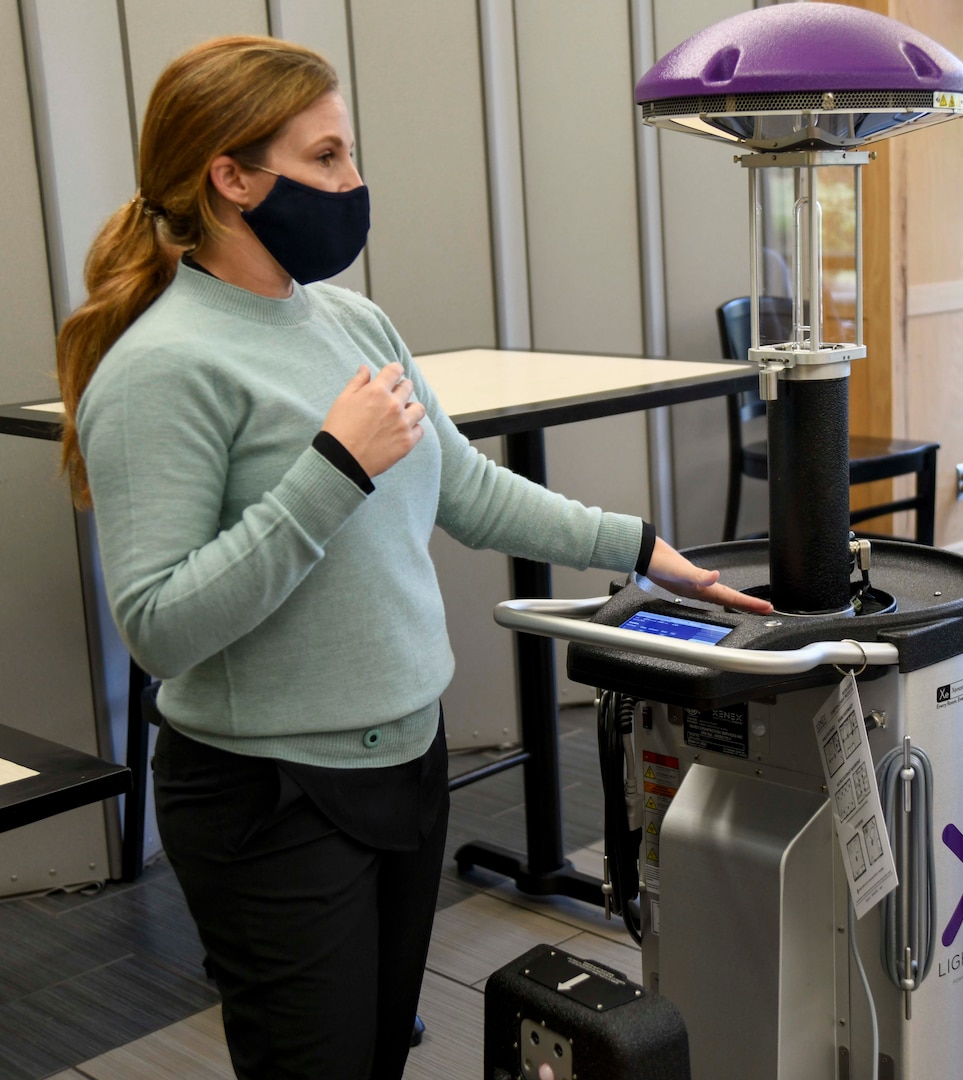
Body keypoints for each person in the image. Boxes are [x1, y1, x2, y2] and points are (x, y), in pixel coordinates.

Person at [55, 36, 771, 1080]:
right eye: (330, 157)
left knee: (380, 1052)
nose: (356, 185)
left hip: (406, 762)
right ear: (232, 177)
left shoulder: (350, 321)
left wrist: (641, 548)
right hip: (272, 797)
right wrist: (332, 467)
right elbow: (160, 626)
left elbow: (465, 489)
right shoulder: (160, 368)